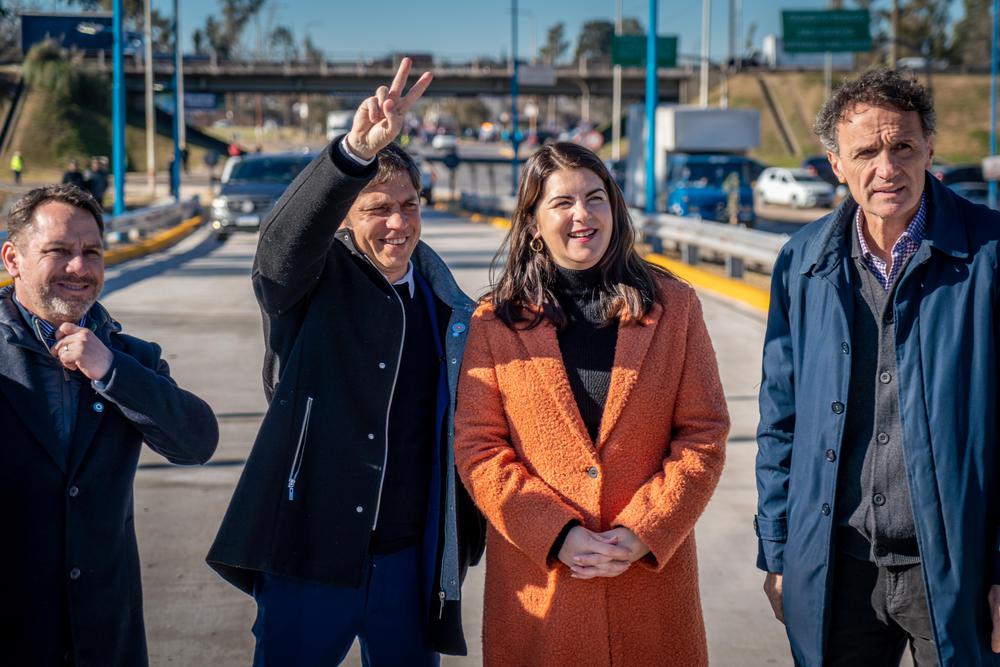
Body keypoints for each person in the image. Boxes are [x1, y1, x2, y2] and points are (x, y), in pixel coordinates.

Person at [207, 58, 485, 666]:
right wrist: (353, 152)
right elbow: (280, 247)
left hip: (410, 566)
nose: (398, 223)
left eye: (409, 206)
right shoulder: (309, 288)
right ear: (345, 218)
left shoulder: (451, 310)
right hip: (310, 556)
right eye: (376, 209)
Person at [755, 67, 1000, 666]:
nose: (886, 168)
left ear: (929, 152)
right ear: (836, 164)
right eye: (866, 151)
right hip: (837, 564)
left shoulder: (991, 254)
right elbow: (780, 419)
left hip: (957, 566)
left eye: (903, 147)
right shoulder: (802, 261)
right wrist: (780, 550)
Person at [453, 142, 730, 666]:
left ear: (614, 208)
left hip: (648, 584)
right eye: (562, 203)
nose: (582, 214)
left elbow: (704, 433)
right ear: (533, 223)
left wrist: (644, 530)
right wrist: (556, 534)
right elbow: (479, 448)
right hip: (544, 587)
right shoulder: (495, 322)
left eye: (595, 197)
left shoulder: (675, 308)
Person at [0, 184, 219, 666]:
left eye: (92, 252)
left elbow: (197, 442)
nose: (79, 268)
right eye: (59, 251)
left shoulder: (130, 358)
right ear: (13, 259)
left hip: (104, 637)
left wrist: (113, 371)